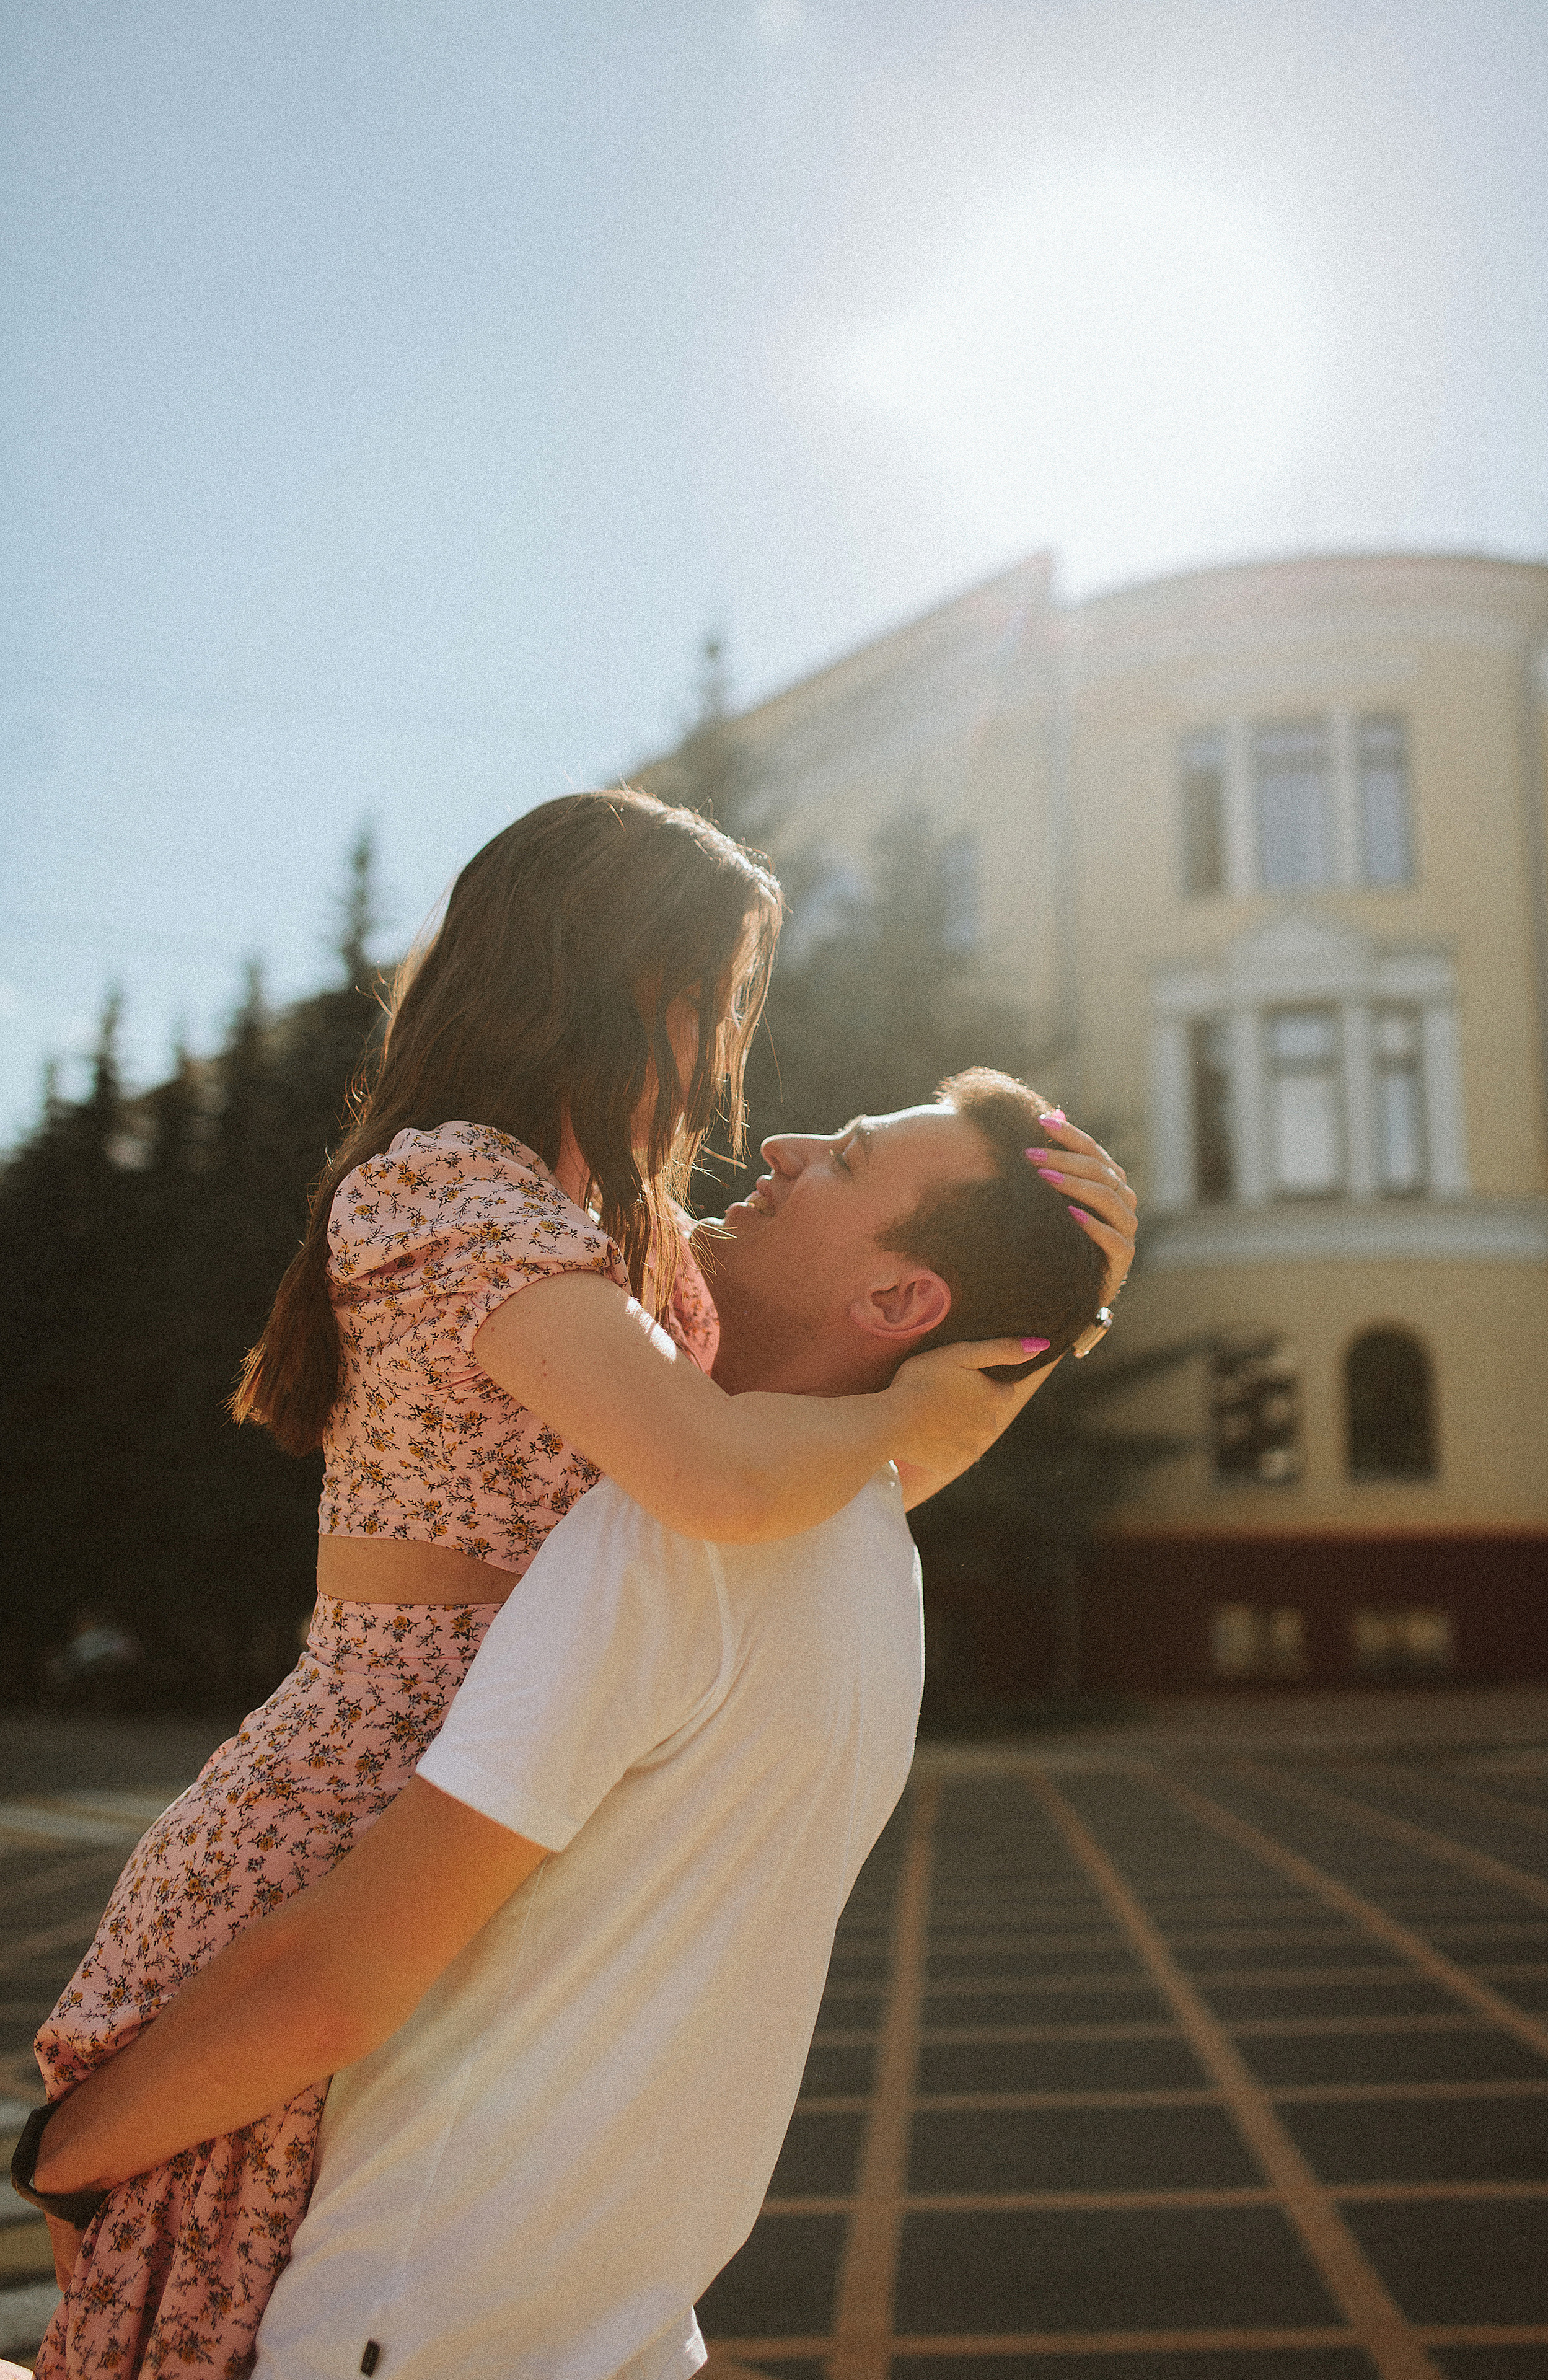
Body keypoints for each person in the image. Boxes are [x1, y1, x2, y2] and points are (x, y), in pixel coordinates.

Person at [24, 793, 1094, 2380]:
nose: (737, 1077)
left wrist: (1041, 1316)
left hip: (417, 1788)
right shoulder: (454, 1190)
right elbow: (731, 1485)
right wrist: (934, 1403)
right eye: (712, 1001)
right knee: (188, 2286)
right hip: (329, 1802)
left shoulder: (616, 1244)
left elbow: (796, 1488)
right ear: (600, 985)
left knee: (220, 2292)